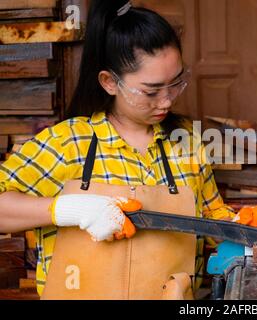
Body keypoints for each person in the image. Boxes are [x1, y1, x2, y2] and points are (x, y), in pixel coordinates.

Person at [0, 0, 236, 297]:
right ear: (110, 82)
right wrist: (66, 209)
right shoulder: (70, 142)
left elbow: (210, 215)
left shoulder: (185, 139)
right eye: (151, 91)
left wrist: (238, 226)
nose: (166, 100)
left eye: (175, 84)